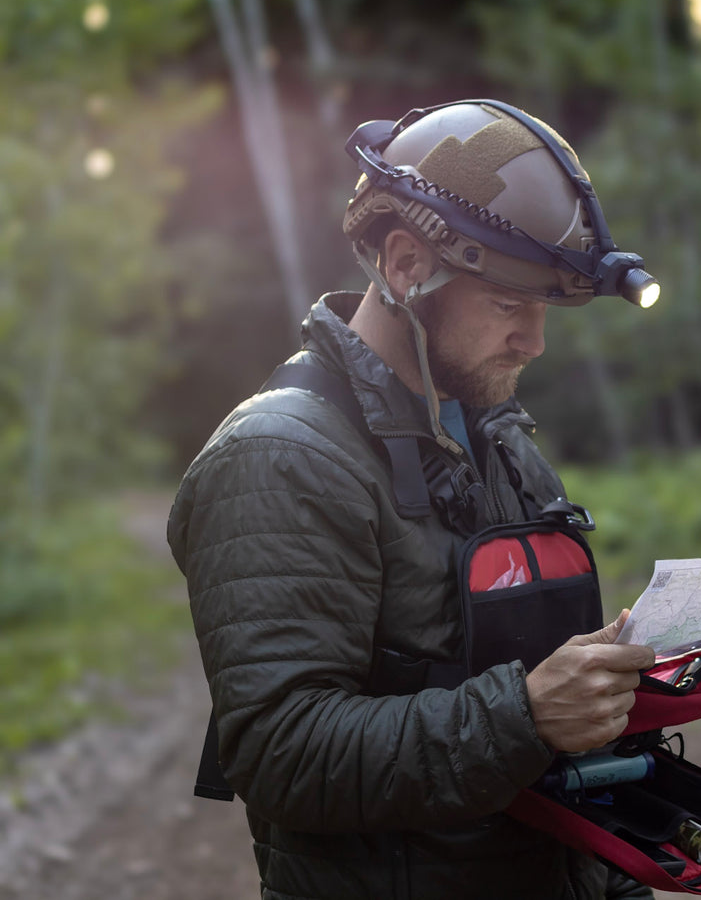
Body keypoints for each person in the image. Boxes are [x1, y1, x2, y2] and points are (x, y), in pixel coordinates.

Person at [167, 100, 662, 899]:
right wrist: (524, 717)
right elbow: (280, 751)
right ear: (405, 266)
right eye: (508, 304)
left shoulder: (498, 439)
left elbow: (545, 700)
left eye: (544, 309)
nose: (533, 341)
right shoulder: (281, 457)